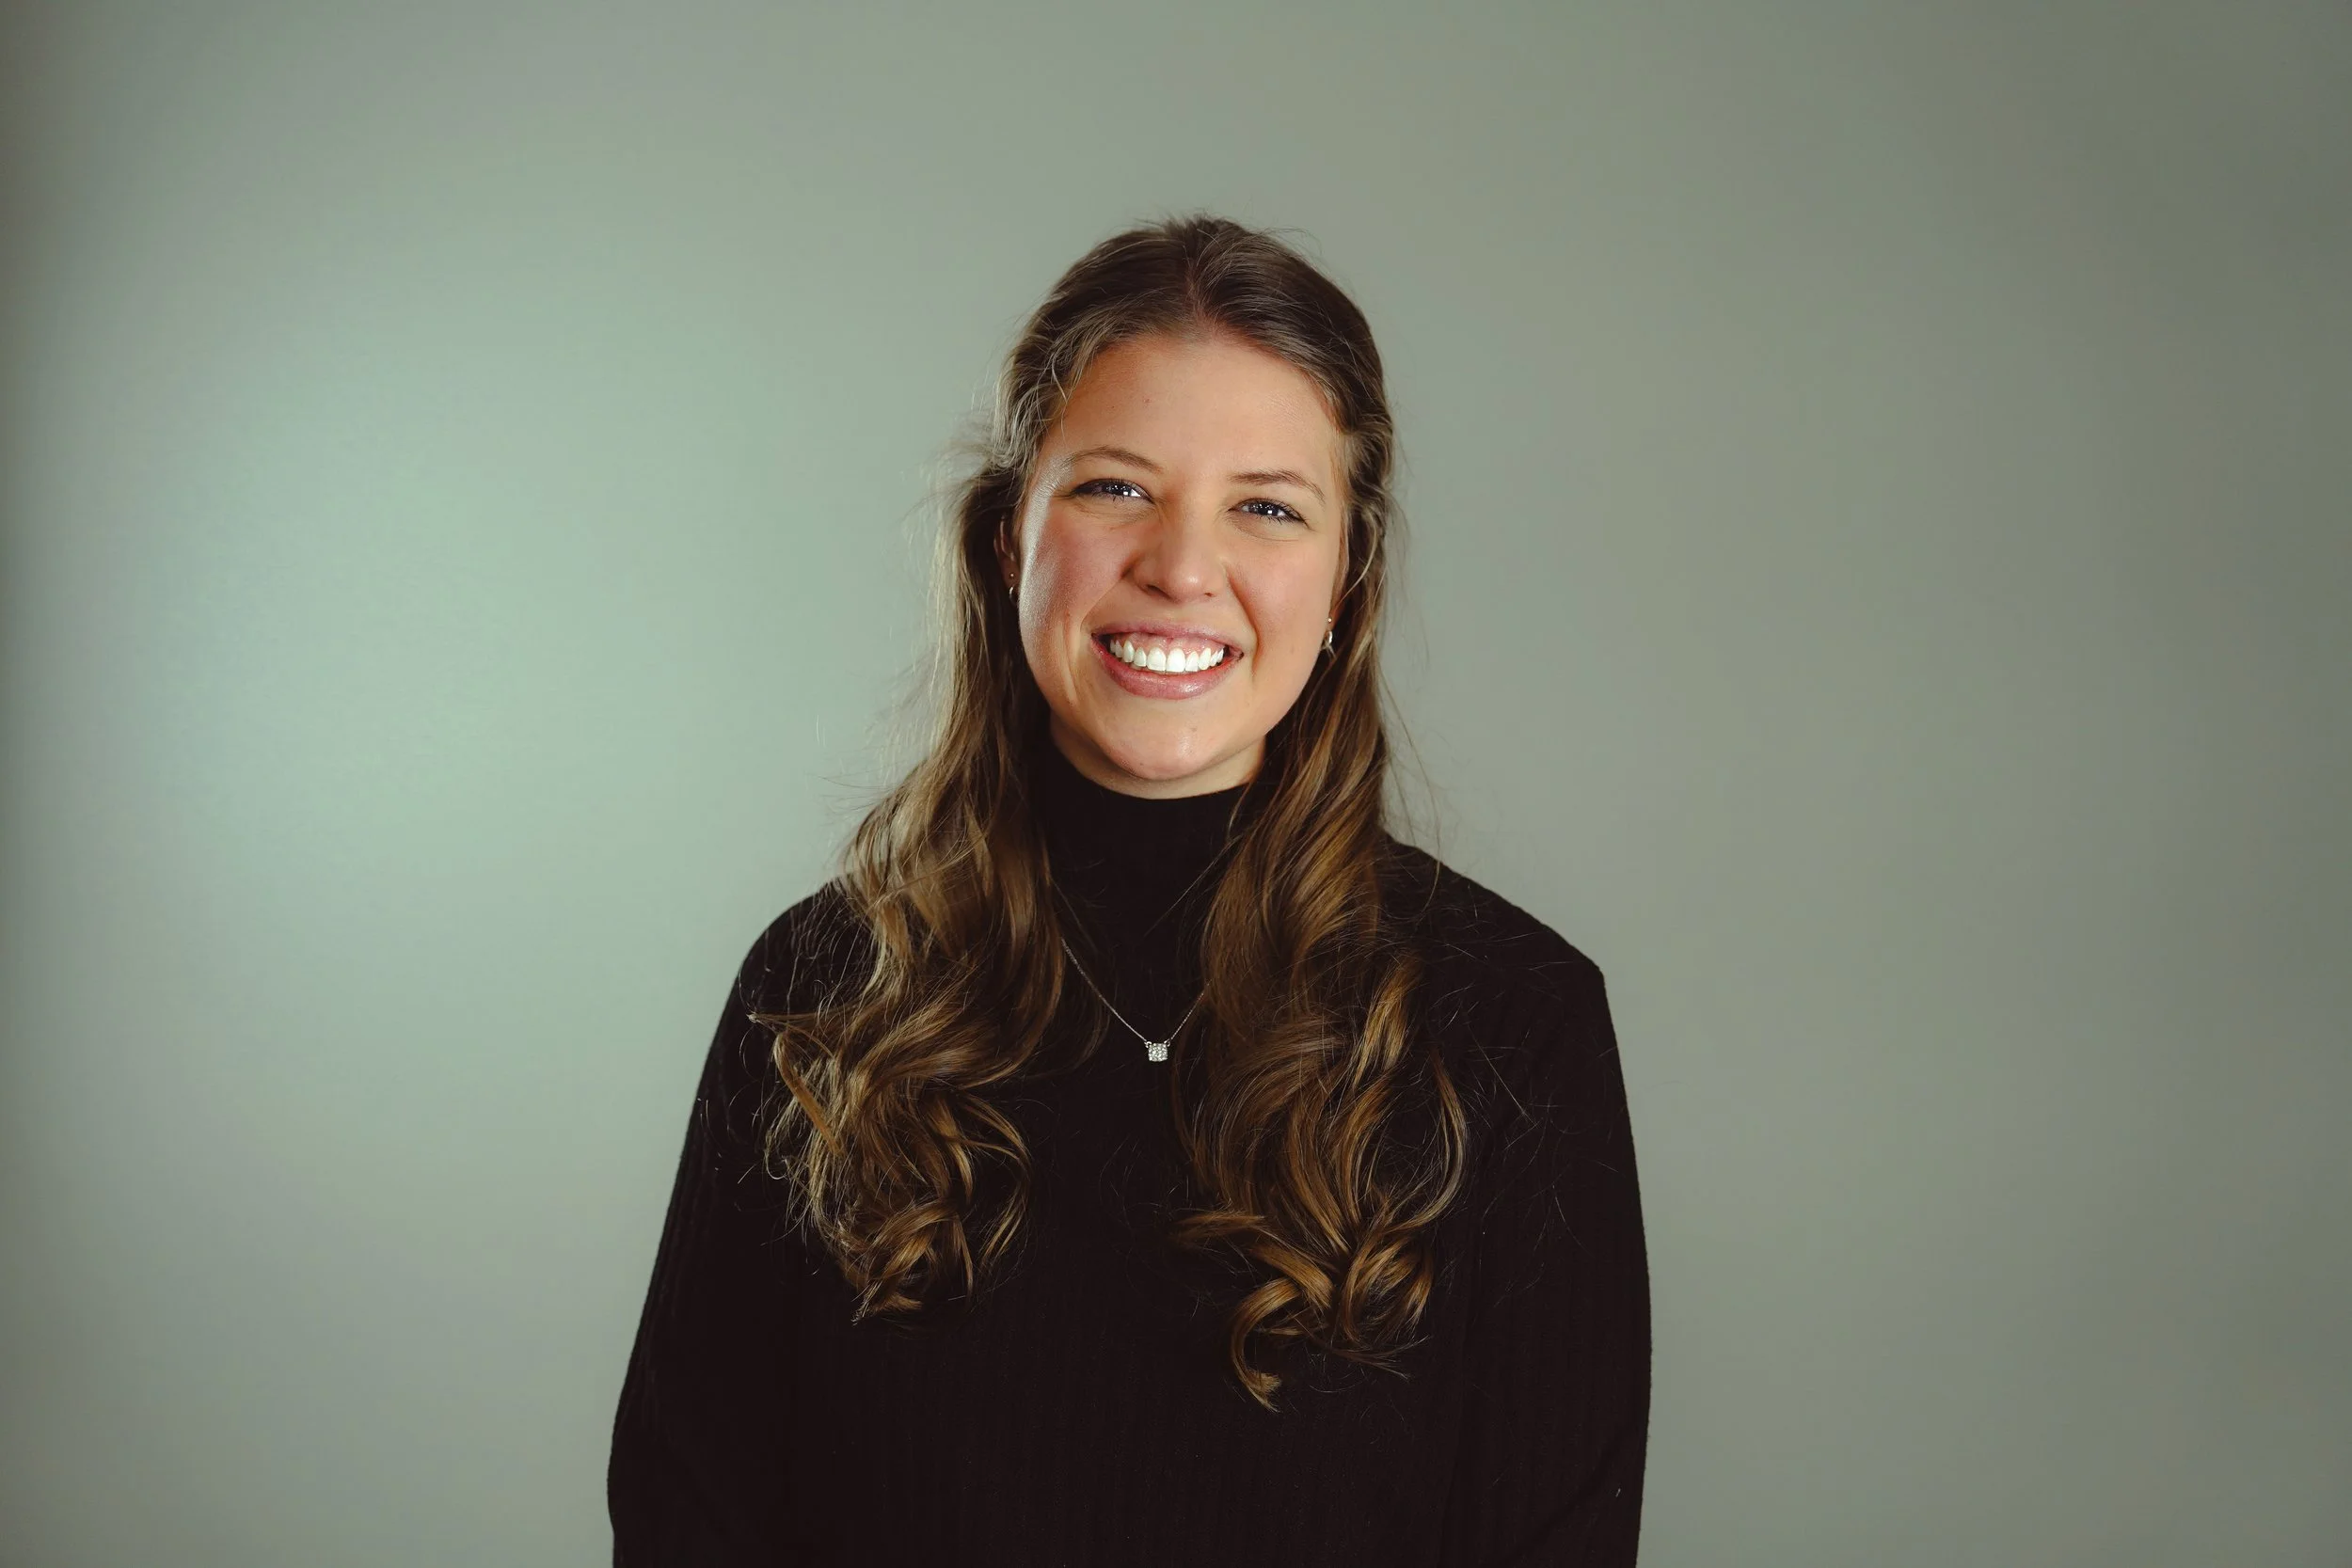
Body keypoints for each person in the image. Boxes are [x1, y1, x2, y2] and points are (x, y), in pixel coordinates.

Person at [607, 214, 1651, 1565]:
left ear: (1348, 579)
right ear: (1010, 537)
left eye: (1267, 507)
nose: (1181, 567)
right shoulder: (820, 991)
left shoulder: (1517, 1024)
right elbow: (685, 1523)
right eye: (1115, 488)